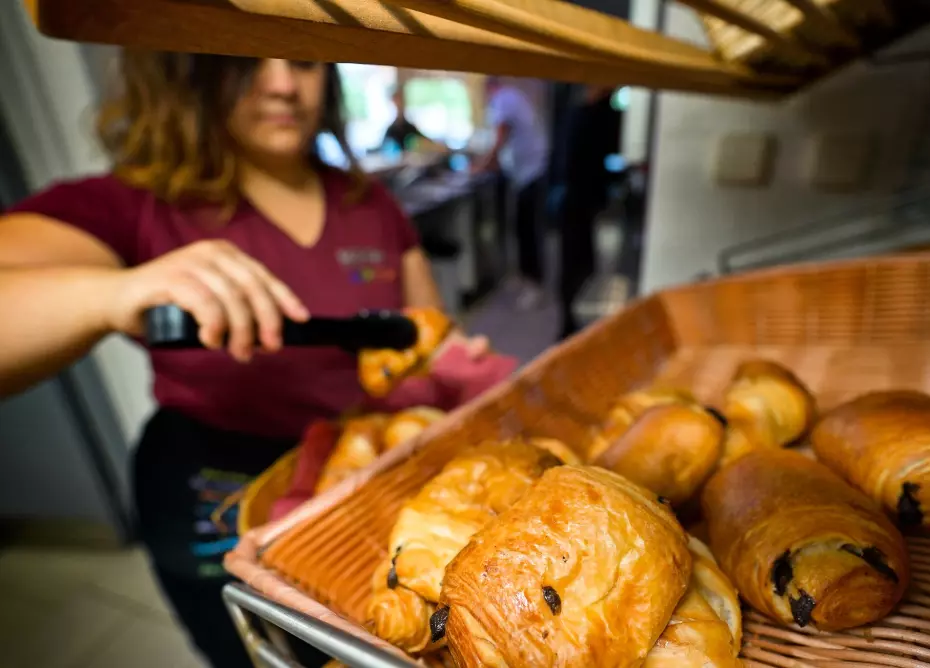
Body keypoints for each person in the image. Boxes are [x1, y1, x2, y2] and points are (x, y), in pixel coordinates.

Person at [0, 53, 485, 667]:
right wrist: (113, 292)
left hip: (351, 479)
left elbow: (425, 337)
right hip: (214, 483)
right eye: (246, 61)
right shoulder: (137, 204)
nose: (282, 84)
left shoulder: (372, 206)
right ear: (190, 69)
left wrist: (453, 358)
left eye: (304, 62)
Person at [476, 76, 550, 310]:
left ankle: (534, 283)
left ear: (489, 88)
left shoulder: (503, 100)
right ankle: (526, 277)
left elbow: (500, 139)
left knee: (527, 232)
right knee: (522, 230)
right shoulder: (511, 97)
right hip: (527, 173)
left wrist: (481, 165)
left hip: (531, 173)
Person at [558, 86, 622, 340]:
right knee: (575, 265)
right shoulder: (580, 109)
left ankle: (575, 328)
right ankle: (570, 325)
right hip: (576, 199)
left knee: (582, 266)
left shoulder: (601, 113)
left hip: (585, 200)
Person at [380, 85, 430, 153]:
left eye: (401, 101)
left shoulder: (409, 128)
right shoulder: (391, 130)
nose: (399, 105)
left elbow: (424, 141)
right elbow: (384, 149)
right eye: (396, 102)